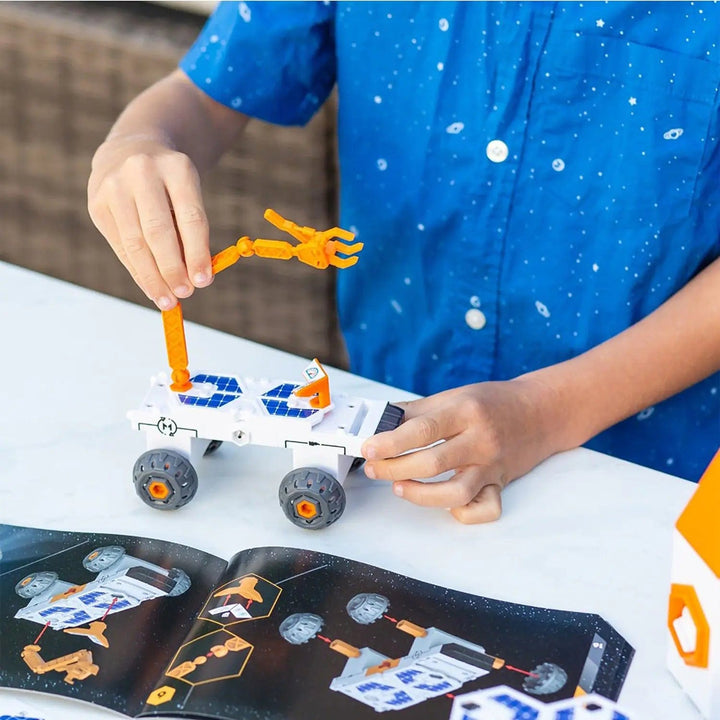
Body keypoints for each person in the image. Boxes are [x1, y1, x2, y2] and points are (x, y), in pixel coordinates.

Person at [88, 1, 720, 524]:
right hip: (390, 468)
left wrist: (543, 411)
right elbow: (203, 97)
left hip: (659, 492)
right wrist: (138, 144)